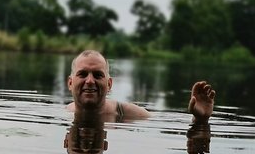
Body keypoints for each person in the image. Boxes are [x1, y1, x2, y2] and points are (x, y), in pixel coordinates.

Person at [66, 49, 215, 124]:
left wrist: (200, 120)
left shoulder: (131, 114)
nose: (90, 81)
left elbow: (164, 124)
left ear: (109, 84)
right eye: (83, 74)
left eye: (98, 75)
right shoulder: (65, 112)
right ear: (70, 83)